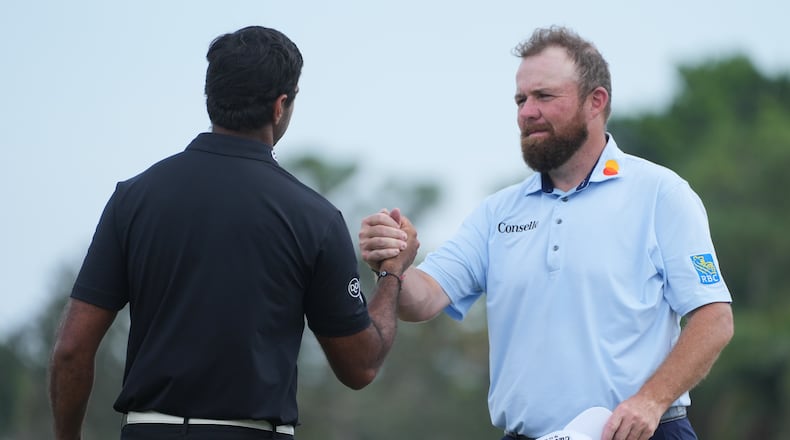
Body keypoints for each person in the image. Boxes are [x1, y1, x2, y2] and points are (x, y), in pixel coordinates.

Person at [359, 26, 733, 440]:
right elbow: (423, 299)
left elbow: (714, 318)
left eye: (544, 96)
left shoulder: (661, 193)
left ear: (596, 102)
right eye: (521, 99)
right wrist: (394, 265)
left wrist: (651, 399)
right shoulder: (497, 211)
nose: (526, 111)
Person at [49, 25, 418, 440]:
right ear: (280, 106)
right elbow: (361, 365)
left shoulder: (133, 199)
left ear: (213, 97)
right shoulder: (314, 218)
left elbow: (70, 351)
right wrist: (392, 273)